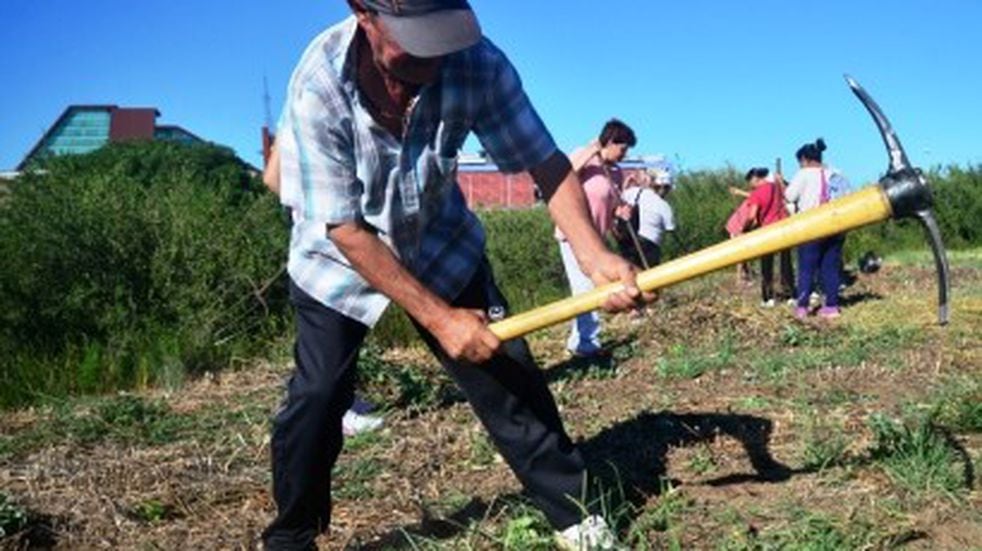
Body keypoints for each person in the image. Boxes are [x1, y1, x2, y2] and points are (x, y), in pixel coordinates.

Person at [264, 2, 650, 549]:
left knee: (505, 373)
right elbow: (345, 229)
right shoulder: (320, 81)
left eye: (444, 34)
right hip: (337, 259)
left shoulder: (479, 63)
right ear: (362, 12)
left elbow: (544, 161)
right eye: (415, 37)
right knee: (320, 394)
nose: (435, 54)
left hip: (440, 244)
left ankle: (575, 513)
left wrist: (595, 257)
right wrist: (442, 320)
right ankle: (291, 535)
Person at [263, 144, 385, 438]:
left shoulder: (302, 108)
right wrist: (323, 211)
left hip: (322, 245)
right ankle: (337, 413)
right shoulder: (310, 103)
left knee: (337, 342)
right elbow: (274, 177)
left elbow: (272, 178)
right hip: (328, 252)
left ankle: (343, 402)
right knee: (327, 349)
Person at [556, 119, 637, 357]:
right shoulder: (584, 157)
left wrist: (620, 213)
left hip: (597, 240)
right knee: (585, 288)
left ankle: (580, 340)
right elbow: (562, 176)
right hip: (572, 234)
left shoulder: (616, 172)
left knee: (590, 287)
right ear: (610, 142)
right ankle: (585, 344)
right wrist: (592, 150)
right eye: (622, 148)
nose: (624, 154)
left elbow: (610, 206)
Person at [785, 138, 846, 319]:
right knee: (830, 267)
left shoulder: (804, 174)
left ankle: (802, 307)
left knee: (806, 268)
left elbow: (790, 195)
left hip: (812, 226)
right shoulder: (835, 173)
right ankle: (832, 306)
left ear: (804, 159)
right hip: (836, 226)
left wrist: (784, 184)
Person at [742, 167, 796, 307]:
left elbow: (752, 216)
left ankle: (768, 298)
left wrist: (745, 229)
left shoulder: (756, 193)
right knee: (786, 262)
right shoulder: (777, 187)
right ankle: (790, 295)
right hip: (783, 227)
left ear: (755, 178)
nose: (750, 185)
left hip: (767, 230)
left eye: (750, 182)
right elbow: (789, 196)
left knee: (767, 264)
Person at [617, 168, 675, 268]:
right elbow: (670, 228)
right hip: (650, 246)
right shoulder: (664, 206)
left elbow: (620, 198)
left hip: (628, 242)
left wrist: (627, 183)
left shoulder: (634, 192)